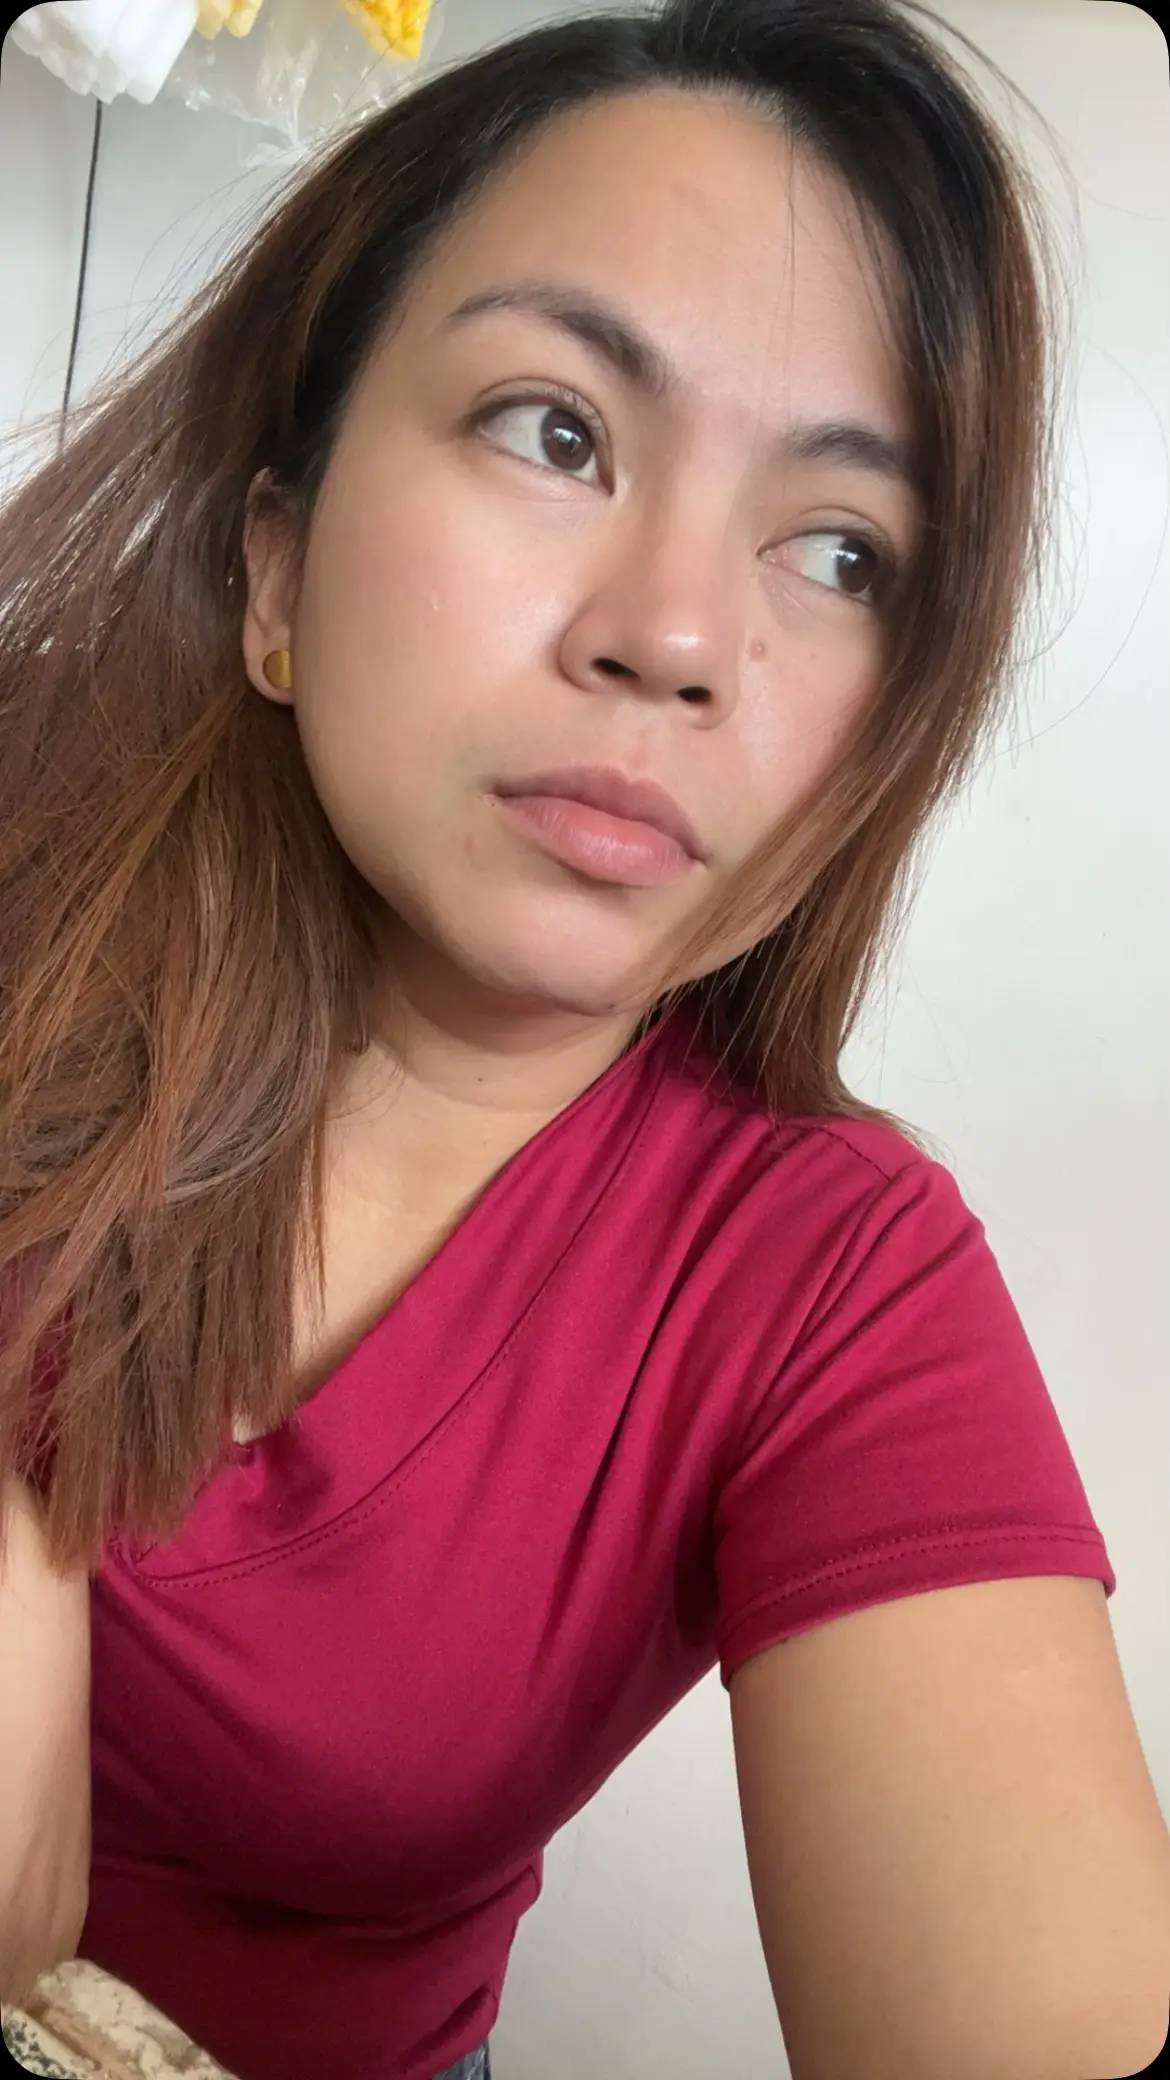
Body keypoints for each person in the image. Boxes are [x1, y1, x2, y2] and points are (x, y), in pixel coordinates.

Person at [1, 1, 1168, 2076]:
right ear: (275, 562)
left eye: (841, 552)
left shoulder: (828, 1282)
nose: (680, 636)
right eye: (555, 429)